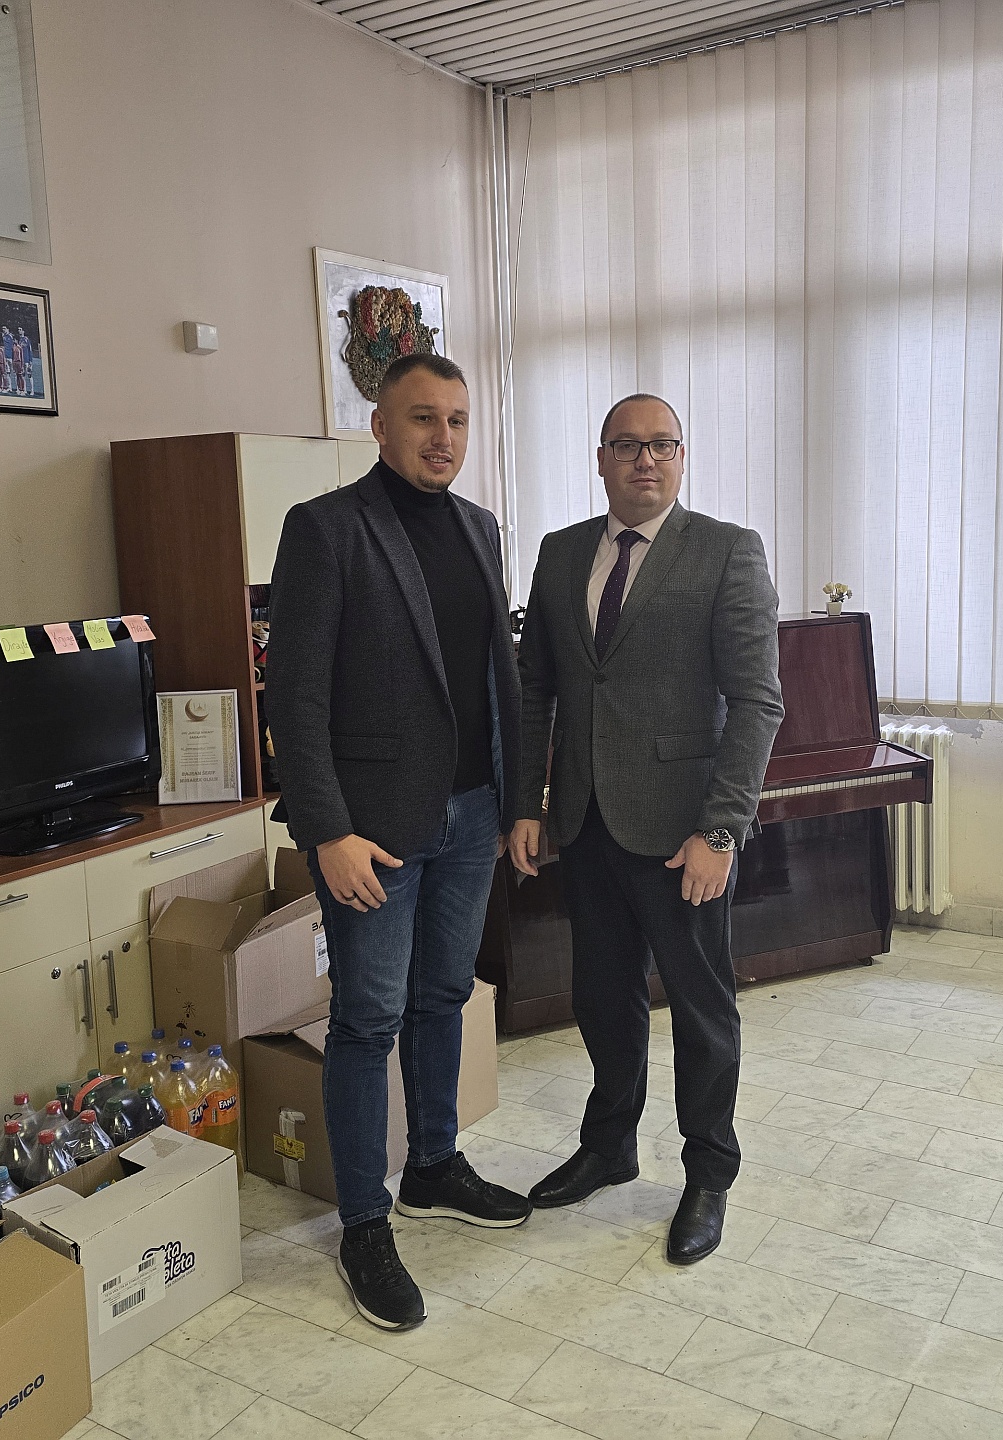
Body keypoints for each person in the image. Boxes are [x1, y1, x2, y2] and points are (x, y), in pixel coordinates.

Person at [265, 352, 532, 1331]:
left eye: (457, 419)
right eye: (423, 417)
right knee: (367, 1018)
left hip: (471, 815)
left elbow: (497, 679)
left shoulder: (479, 528)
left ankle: (432, 1165)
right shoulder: (326, 529)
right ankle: (364, 1222)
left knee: (444, 996)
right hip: (370, 833)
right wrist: (327, 830)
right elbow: (293, 696)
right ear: (379, 426)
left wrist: (518, 800)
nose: (443, 436)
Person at [511, 394, 783, 1266]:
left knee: (701, 1008)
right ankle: (609, 1146)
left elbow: (757, 702)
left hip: (682, 834)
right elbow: (535, 689)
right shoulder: (561, 553)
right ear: (601, 458)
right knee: (602, 996)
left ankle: (708, 1173)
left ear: (682, 456)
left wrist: (722, 831)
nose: (645, 460)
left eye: (662, 445)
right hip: (585, 823)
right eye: (627, 445)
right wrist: (528, 804)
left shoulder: (727, 550)